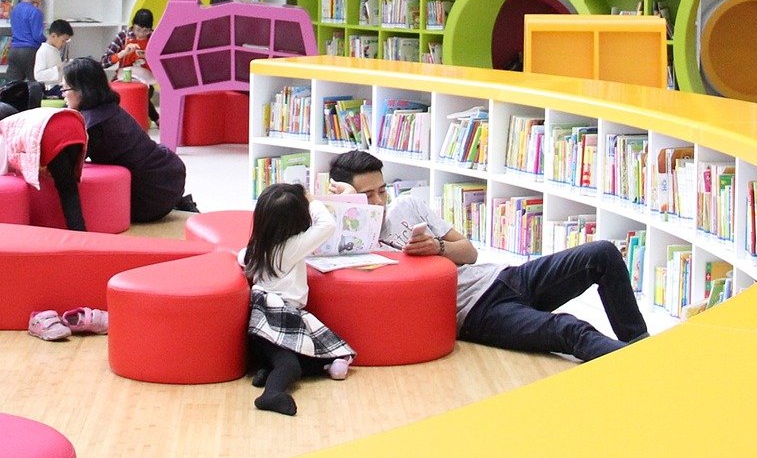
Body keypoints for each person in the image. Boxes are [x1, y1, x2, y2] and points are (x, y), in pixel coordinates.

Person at [327, 149, 646, 362]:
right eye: (367, 195)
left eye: (382, 190)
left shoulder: (408, 206)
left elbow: (470, 252)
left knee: (602, 253)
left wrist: (438, 249)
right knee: (570, 329)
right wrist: (345, 207)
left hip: (506, 277)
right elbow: (303, 217)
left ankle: (643, 343)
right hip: (474, 312)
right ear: (342, 194)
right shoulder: (351, 242)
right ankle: (642, 368)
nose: (379, 201)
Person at [242, 182, 355, 415]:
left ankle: (266, 370)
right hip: (277, 315)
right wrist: (311, 200)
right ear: (297, 220)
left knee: (305, 355)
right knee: (290, 366)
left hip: (266, 318)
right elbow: (328, 224)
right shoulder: (289, 247)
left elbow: (242, 259)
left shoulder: (259, 246)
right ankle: (271, 394)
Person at [60, 57, 196, 220]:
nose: (63, 95)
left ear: (82, 90)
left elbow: (66, 165)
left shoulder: (93, 124)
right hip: (167, 176)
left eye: (65, 89)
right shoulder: (107, 110)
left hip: (151, 195)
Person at [0, 97, 89, 233]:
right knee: (69, 184)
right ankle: (79, 231)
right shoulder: (22, 120)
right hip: (74, 124)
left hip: (54, 134)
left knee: (67, 189)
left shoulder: (1, 131)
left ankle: (79, 232)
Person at [4, 0, 47, 107]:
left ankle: (10, 110)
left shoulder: (14, 9)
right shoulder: (35, 12)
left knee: (12, 87)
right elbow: (37, 36)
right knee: (36, 85)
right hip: (30, 51)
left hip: (14, 50)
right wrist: (48, 42)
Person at [32, 19, 73, 102]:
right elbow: (38, 75)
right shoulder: (43, 51)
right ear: (53, 36)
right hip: (50, 91)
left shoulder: (54, 50)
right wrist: (58, 68)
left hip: (57, 86)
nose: (64, 44)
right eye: (63, 40)